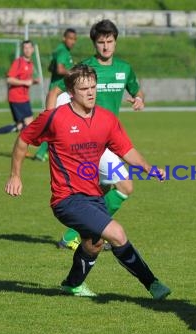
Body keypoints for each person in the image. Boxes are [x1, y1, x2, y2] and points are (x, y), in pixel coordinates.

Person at [4, 64, 171, 299]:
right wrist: (15, 175)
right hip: (66, 199)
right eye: (84, 89)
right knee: (117, 233)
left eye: (93, 87)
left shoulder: (106, 119)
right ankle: (153, 284)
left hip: (93, 196)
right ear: (71, 92)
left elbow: (126, 150)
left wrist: (148, 167)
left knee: (93, 244)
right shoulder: (54, 118)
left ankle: (72, 284)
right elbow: (23, 140)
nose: (91, 92)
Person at [45, 19, 145, 251]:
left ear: (115, 42)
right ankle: (83, 232)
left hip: (111, 139)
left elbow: (135, 89)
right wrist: (49, 121)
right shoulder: (86, 68)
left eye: (109, 41)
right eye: (101, 42)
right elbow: (55, 90)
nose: (106, 46)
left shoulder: (124, 68)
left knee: (104, 189)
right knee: (125, 185)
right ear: (94, 43)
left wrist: (139, 98)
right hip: (90, 141)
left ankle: (81, 234)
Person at [33, 28, 77, 162]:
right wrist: (74, 72)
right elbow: (59, 68)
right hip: (60, 93)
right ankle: (44, 152)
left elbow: (50, 68)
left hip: (58, 92)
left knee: (58, 124)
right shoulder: (62, 51)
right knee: (63, 124)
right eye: (70, 38)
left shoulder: (59, 50)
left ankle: (44, 152)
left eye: (75, 39)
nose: (73, 42)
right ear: (64, 38)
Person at [0, 40, 39, 145]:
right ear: (23, 50)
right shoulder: (18, 62)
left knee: (20, 126)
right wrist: (25, 82)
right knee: (29, 124)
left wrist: (33, 82)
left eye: (29, 48)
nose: (27, 50)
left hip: (24, 98)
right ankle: (22, 148)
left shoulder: (30, 64)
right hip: (17, 98)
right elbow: (9, 79)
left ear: (32, 49)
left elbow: (25, 80)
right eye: (25, 48)